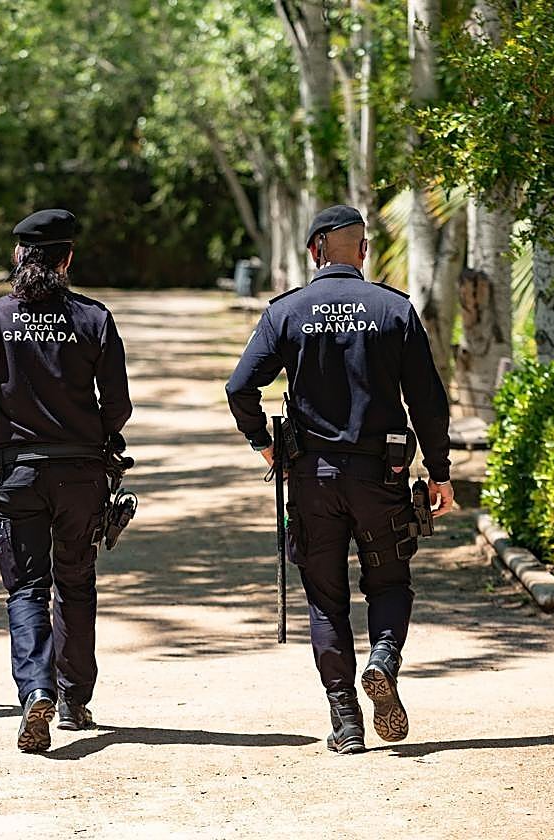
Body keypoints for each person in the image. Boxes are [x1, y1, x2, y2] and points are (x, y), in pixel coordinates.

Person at [225, 205, 454, 754]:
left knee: (325, 598)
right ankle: (383, 660)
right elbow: (427, 400)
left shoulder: (287, 312)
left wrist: (265, 445)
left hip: (312, 480)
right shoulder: (393, 309)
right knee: (390, 583)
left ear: (315, 251)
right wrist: (440, 473)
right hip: (382, 477)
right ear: (364, 251)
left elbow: (239, 387)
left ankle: (346, 720)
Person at [0, 208, 132, 753]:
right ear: (67, 259)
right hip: (81, 475)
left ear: (18, 256)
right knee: (75, 583)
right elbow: (118, 406)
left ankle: (37, 690)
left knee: (27, 588)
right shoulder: (94, 319)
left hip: (16, 474)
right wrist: (94, 436)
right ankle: (74, 698)